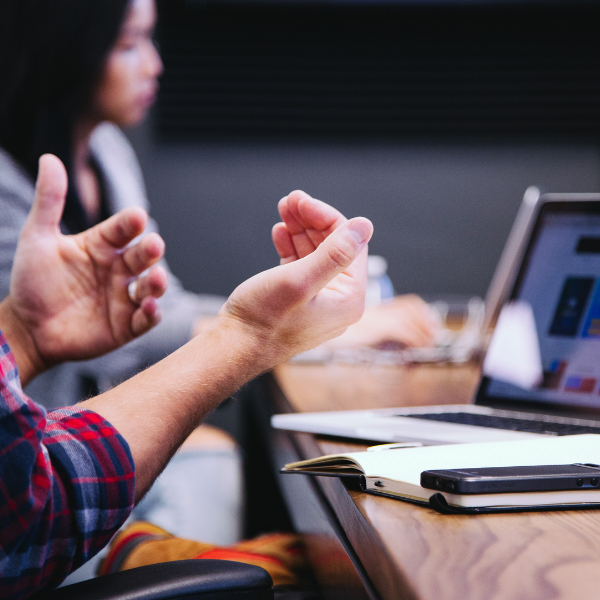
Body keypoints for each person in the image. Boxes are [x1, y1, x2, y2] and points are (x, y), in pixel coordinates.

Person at [0, 152, 373, 599]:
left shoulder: (107, 149)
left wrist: (22, 334)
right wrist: (248, 336)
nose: (155, 74)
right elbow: (29, 505)